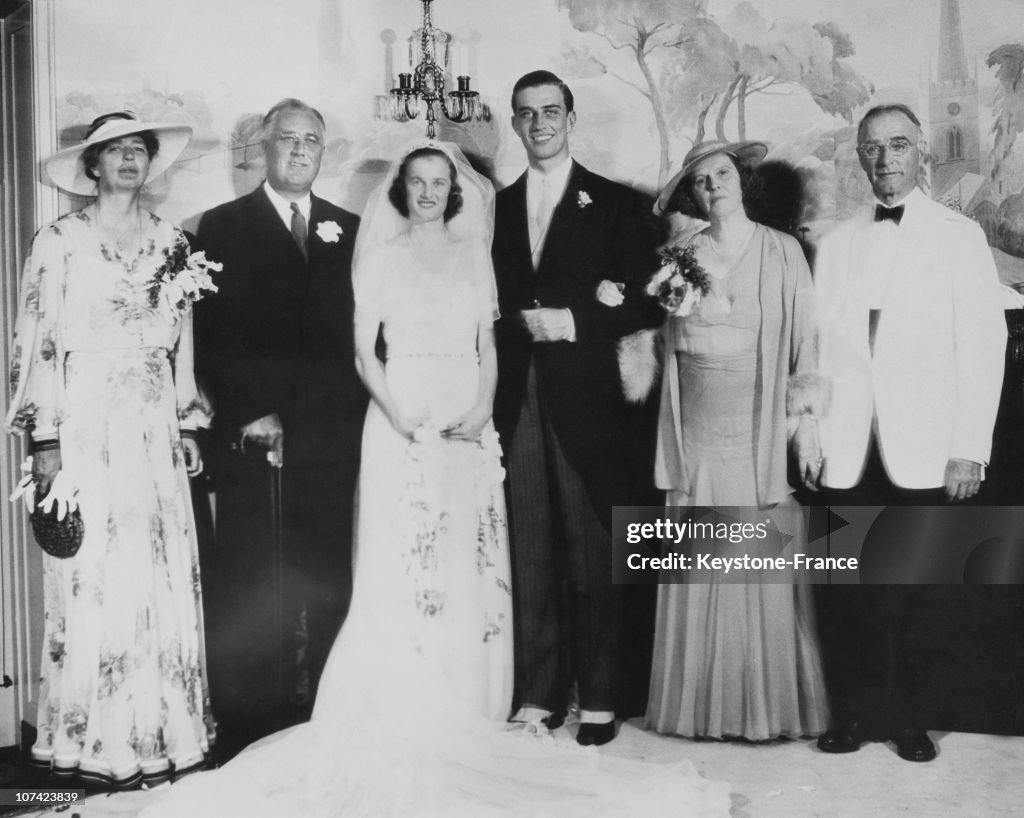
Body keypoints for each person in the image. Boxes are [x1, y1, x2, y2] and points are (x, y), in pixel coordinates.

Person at [132, 140, 729, 818]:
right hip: (401, 412)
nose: (427, 192)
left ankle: (472, 695)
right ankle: (401, 694)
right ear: (402, 188)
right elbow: (363, 349)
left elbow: (488, 342)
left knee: (465, 555)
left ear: (454, 190)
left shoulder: (475, 252)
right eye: (417, 181)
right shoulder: (380, 253)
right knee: (404, 555)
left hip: (465, 412)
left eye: (439, 182)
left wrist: (479, 410)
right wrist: (399, 416)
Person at [5, 112, 214, 787]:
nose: (127, 161)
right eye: (114, 151)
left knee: (155, 571)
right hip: (86, 424)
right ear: (91, 165)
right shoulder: (59, 242)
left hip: (151, 429)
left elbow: (183, 341)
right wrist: (44, 439)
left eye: (137, 151)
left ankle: (163, 733)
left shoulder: (173, 242)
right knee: (93, 571)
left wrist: (185, 423)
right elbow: (37, 342)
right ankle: (92, 740)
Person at [812, 104, 1006, 762]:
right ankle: (850, 716)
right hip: (844, 449)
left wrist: (968, 448)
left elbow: (982, 345)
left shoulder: (958, 237)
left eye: (899, 145)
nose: (886, 158)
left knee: (914, 594)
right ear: (860, 157)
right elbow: (815, 353)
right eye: (873, 148)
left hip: (922, 449)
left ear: (921, 151)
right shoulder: (835, 243)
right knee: (844, 593)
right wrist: (808, 436)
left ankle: (908, 720)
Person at [625, 140, 829, 741]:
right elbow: (664, 338)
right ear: (693, 193)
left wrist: (807, 422)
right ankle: (700, 708)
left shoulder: (783, 250)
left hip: (758, 423)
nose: (713, 185)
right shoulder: (679, 253)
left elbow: (806, 340)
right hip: (697, 427)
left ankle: (762, 708)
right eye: (701, 180)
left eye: (721, 174)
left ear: (740, 180)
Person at [491, 70, 665, 745]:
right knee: (529, 544)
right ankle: (538, 693)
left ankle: (599, 694)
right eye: (526, 113)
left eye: (551, 112)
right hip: (517, 395)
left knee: (593, 551)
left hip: (590, 400)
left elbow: (651, 296)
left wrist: (577, 321)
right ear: (515, 123)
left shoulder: (616, 204)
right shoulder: (494, 208)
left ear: (571, 118)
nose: (539, 124)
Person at [194, 98, 365, 750]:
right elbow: (208, 334)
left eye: (311, 141)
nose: (298, 151)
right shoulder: (222, 225)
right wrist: (249, 411)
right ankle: (248, 726)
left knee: (324, 580)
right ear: (265, 148)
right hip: (254, 442)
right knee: (254, 583)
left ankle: (318, 716)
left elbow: (359, 335)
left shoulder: (346, 229)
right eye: (287, 140)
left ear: (323, 153)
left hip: (329, 444)